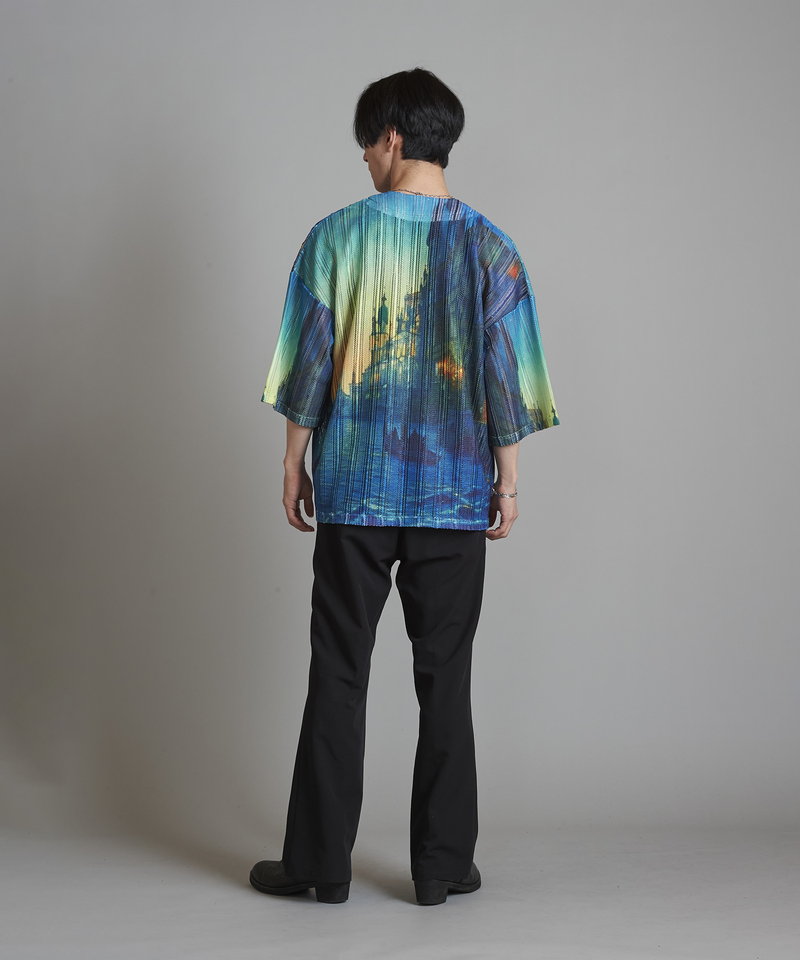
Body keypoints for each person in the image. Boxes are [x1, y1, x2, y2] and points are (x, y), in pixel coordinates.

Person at [249, 67, 560, 906]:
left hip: (354, 492)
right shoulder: (493, 247)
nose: (363, 157)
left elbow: (307, 365)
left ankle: (318, 865)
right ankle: (442, 866)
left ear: (392, 137)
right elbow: (509, 381)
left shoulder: (334, 238)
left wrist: (292, 462)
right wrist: (508, 483)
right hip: (454, 497)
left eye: (366, 143)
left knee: (338, 671)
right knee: (445, 678)